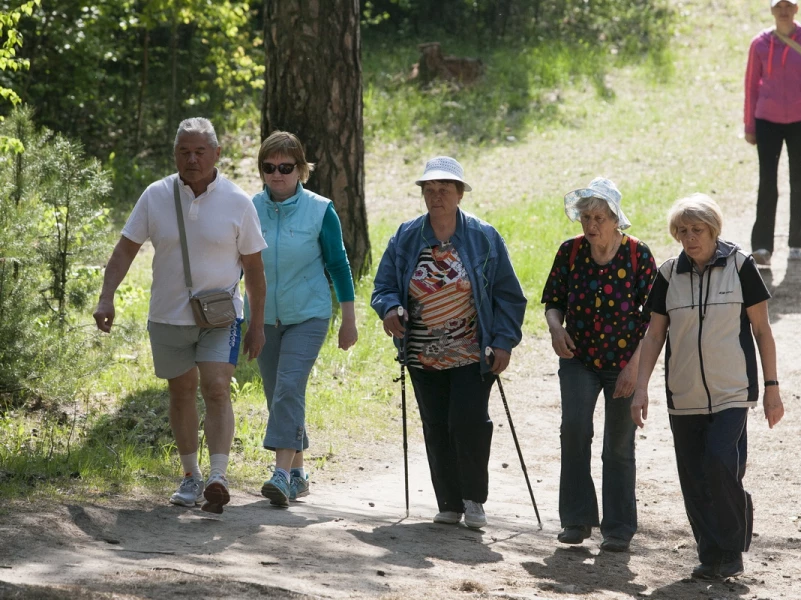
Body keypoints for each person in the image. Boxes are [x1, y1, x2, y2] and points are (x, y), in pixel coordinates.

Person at [93, 117, 268, 514]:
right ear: (174, 154)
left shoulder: (238, 202)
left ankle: (219, 476)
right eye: (183, 151)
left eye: (200, 151)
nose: (192, 159)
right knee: (181, 392)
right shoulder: (155, 196)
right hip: (168, 316)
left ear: (217, 154)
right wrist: (107, 298)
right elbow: (124, 251)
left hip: (221, 316)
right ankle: (190, 477)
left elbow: (255, 270)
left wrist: (256, 325)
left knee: (217, 387)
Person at [631, 193, 785, 580]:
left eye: (697, 230)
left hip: (732, 391)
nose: (689, 238)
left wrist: (771, 387)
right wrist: (641, 388)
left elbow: (762, 331)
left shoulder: (740, 265)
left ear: (713, 230)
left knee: (720, 462)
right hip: (683, 396)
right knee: (693, 476)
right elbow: (653, 336)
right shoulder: (668, 274)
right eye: (682, 231)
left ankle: (731, 550)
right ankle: (709, 551)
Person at [371, 156, 526, 529]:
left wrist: (503, 341)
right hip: (421, 353)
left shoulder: (483, 237)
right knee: (436, 424)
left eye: (444, 189)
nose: (436, 196)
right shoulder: (407, 236)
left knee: (468, 421)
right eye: (429, 189)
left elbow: (509, 294)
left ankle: (474, 500)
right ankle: (449, 503)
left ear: (459, 194)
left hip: (473, 351)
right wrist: (390, 308)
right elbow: (384, 286)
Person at [540, 177, 657, 551]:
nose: (591, 226)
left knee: (619, 446)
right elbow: (553, 300)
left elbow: (656, 319)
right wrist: (556, 329)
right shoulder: (570, 252)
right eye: (585, 217)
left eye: (599, 218)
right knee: (574, 430)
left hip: (625, 361)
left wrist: (635, 368)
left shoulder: (638, 255)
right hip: (579, 359)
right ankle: (576, 520)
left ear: (615, 219)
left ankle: (619, 528)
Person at [249, 131, 358, 507]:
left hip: (309, 315)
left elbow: (339, 265)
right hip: (263, 317)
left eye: (286, 167)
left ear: (301, 169)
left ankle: (279, 475)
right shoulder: (249, 209)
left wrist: (348, 319)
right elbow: (237, 264)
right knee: (277, 394)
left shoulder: (320, 209)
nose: (277, 174)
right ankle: (298, 473)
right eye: (269, 167)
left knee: (288, 387)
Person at [744, 0, 801, 265]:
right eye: (778, 6)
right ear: (771, 10)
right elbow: (751, 87)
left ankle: (796, 244)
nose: (783, 11)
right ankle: (762, 247)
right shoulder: (759, 44)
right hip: (767, 121)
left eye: (788, 5)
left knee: (799, 181)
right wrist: (750, 125)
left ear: (796, 9)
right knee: (767, 182)